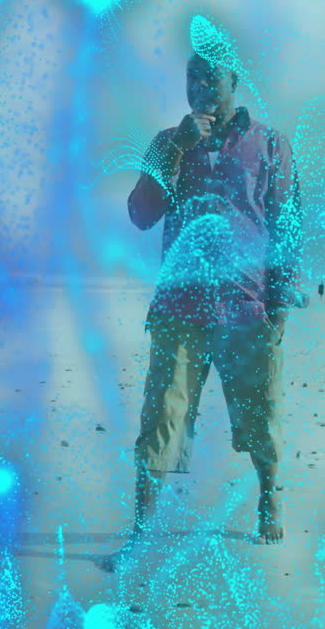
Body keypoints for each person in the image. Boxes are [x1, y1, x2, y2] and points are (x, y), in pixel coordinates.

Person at [99, 52, 306, 572]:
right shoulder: (166, 143)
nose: (200, 86)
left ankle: (268, 496)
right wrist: (176, 150)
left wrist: (280, 304)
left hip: (246, 307)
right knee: (161, 417)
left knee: (261, 413)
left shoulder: (271, 144)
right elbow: (141, 215)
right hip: (179, 307)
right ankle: (140, 531)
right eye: (191, 76)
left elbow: (287, 225)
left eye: (211, 76)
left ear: (235, 78)